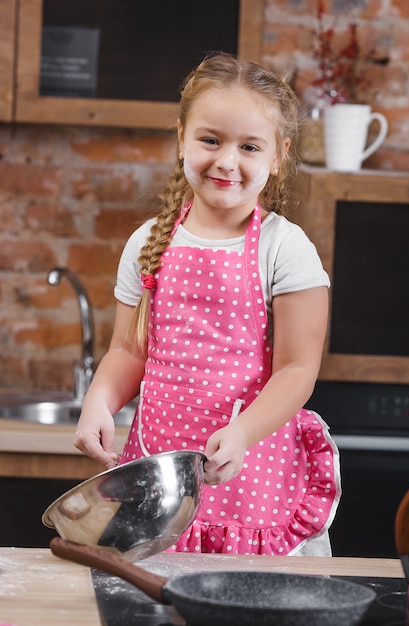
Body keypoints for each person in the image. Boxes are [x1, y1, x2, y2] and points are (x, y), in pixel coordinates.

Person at [75, 52, 341, 556]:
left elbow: (296, 370)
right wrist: (98, 402)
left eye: (249, 147)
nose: (226, 161)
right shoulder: (147, 242)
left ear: (277, 155)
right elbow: (128, 353)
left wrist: (241, 433)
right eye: (210, 140)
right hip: (159, 482)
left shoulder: (285, 248)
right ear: (181, 138)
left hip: (249, 477)